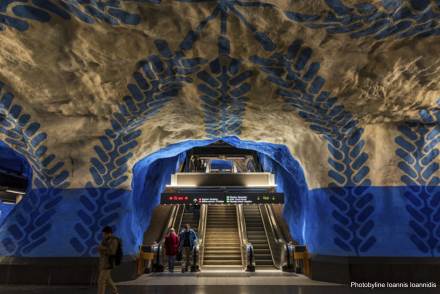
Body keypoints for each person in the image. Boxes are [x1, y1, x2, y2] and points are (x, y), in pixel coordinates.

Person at [98, 226, 119, 294]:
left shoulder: (114, 240)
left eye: (104, 234)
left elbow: (112, 252)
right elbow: (100, 250)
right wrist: (101, 248)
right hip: (103, 262)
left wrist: (102, 248)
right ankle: (115, 291)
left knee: (101, 280)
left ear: (109, 233)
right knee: (107, 279)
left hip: (109, 263)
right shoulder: (104, 240)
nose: (103, 235)